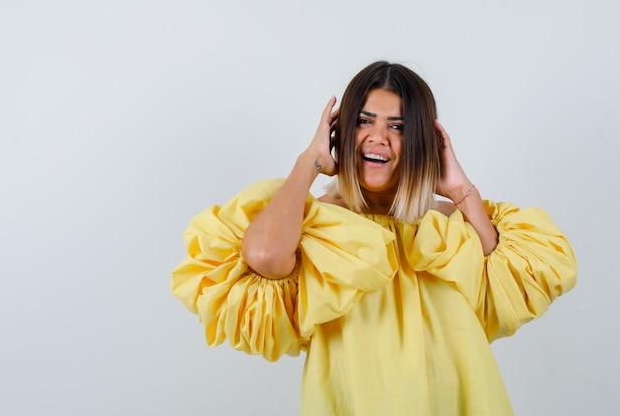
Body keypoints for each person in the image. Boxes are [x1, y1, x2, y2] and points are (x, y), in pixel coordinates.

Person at [171, 61, 577, 415]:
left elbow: (500, 290)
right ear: (341, 132)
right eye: (364, 121)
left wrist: (460, 190)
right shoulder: (318, 227)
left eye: (397, 127)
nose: (377, 136)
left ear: (419, 140)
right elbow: (262, 256)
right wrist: (309, 163)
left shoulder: (449, 222)